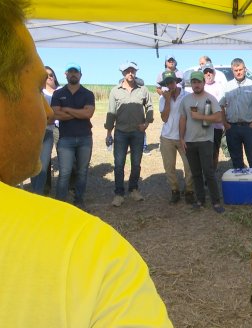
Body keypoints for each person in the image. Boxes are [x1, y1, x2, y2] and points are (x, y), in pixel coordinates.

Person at [0, 0, 173, 326]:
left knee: (127, 166)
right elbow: (97, 115)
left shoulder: (136, 91)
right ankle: (112, 191)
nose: (49, 110)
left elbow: (90, 113)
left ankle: (116, 191)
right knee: (88, 169)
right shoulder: (91, 254)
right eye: (38, 89)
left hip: (124, 135)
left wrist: (142, 125)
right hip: (100, 136)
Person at [105, 61, 153, 207]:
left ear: (135, 72)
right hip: (120, 133)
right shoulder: (115, 91)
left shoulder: (143, 90)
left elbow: (150, 107)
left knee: (136, 163)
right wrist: (109, 133)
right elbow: (111, 112)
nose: (130, 73)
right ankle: (119, 193)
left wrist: (146, 123)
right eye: (127, 71)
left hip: (138, 133)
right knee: (119, 164)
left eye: (132, 70)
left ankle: (133, 189)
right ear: (123, 73)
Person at [179, 71, 225, 213]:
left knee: (208, 172)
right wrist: (181, 138)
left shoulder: (210, 99)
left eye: (199, 82)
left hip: (206, 140)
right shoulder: (186, 100)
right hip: (190, 141)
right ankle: (200, 200)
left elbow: (218, 117)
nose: (196, 85)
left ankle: (216, 202)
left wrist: (200, 116)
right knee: (195, 173)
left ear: (203, 83)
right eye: (194, 82)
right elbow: (183, 119)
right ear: (191, 84)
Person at [52, 62, 95, 208]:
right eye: (70, 72)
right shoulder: (58, 94)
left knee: (82, 172)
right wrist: (79, 113)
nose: (73, 74)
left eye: (76, 72)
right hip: (65, 139)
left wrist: (68, 110)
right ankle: (60, 203)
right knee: (65, 172)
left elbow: (88, 113)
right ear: (66, 74)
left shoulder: (88, 94)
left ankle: (79, 200)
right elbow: (56, 114)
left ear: (80, 75)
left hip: (85, 138)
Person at [220, 58, 252, 169]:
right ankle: (239, 184)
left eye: (240, 69)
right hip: (232, 128)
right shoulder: (226, 86)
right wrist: (225, 124)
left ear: (245, 69)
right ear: (232, 70)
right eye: (236, 70)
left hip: (248, 127)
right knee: (236, 159)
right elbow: (221, 105)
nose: (238, 72)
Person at [158, 71, 195, 204]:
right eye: (167, 83)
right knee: (169, 166)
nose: (170, 85)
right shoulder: (163, 99)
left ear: (176, 81)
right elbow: (164, 118)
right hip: (167, 137)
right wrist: (167, 101)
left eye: (172, 82)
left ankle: (189, 190)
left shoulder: (187, 96)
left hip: (184, 136)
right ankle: (174, 190)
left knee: (189, 165)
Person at [30, 65, 58, 195]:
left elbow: (52, 117)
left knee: (43, 164)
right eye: (46, 75)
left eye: (51, 74)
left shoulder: (61, 91)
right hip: (37, 133)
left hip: (51, 131)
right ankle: (37, 193)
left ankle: (38, 192)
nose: (49, 77)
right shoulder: (35, 92)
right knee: (36, 165)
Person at [201, 62, 225, 170]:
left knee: (214, 152)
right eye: (206, 72)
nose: (208, 74)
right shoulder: (200, 87)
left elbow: (221, 106)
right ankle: (204, 173)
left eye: (210, 71)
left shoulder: (219, 87)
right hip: (201, 126)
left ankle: (212, 173)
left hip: (216, 127)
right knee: (203, 152)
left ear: (214, 73)